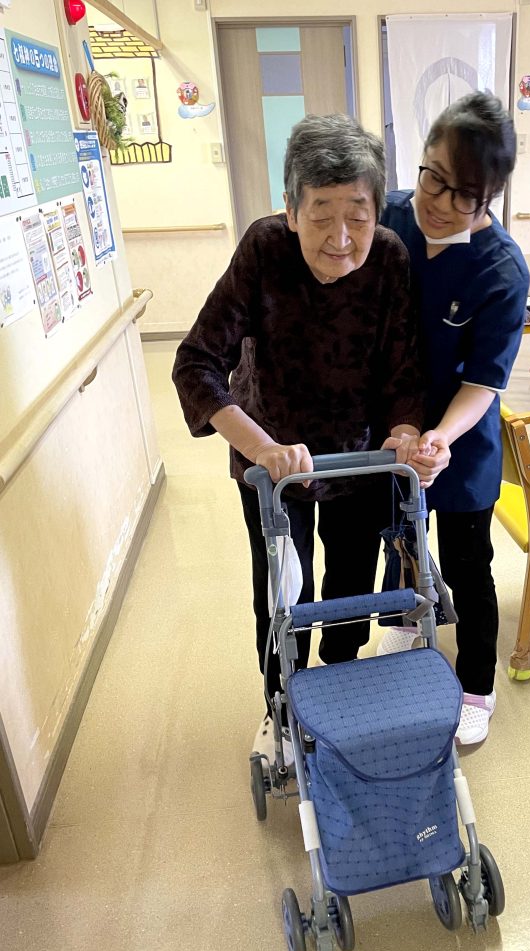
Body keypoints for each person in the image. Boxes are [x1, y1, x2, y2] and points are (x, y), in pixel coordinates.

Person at [172, 114, 443, 762]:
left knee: (349, 591)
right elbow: (196, 364)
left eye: (358, 213)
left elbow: (404, 371)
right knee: (283, 593)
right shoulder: (264, 250)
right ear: (290, 210)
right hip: (276, 462)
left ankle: (340, 693)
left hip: (356, 457)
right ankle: (281, 707)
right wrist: (260, 446)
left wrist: (406, 434)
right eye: (321, 214)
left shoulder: (389, 257)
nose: (341, 237)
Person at [379, 91, 530, 746]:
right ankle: (408, 618)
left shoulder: (500, 269)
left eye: (462, 192)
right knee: (400, 536)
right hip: (388, 428)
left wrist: (441, 435)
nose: (437, 199)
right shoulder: (388, 218)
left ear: (490, 196)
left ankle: (476, 685)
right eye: (432, 175)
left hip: (460, 446)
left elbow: (482, 382)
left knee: (469, 565)